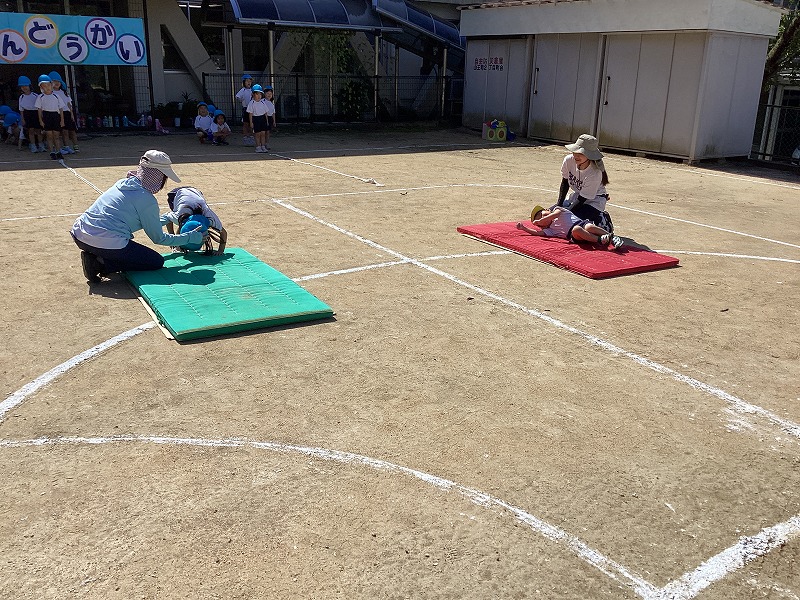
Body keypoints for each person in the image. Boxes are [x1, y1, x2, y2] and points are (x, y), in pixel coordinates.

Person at [70, 150, 206, 283]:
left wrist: (167, 218)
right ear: (160, 177)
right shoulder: (146, 199)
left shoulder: (122, 184)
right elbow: (159, 238)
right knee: (155, 261)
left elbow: (141, 222)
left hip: (79, 234)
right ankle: (100, 264)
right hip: (104, 241)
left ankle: (99, 255)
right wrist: (191, 237)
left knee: (125, 250)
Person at [556, 134, 615, 233]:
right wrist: (559, 205)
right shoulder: (568, 160)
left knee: (569, 222)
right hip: (577, 196)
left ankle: (602, 219)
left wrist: (565, 213)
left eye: (581, 153)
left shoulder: (595, 173)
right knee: (550, 213)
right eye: (575, 151)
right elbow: (565, 182)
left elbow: (582, 200)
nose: (576, 155)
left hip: (594, 200)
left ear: (590, 156)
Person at [516, 204, 623, 249]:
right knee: (577, 230)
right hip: (574, 235)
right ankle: (600, 240)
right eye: (540, 219)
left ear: (548, 210)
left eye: (542, 214)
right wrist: (524, 228)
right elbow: (538, 233)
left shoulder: (558, 210)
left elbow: (554, 215)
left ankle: (612, 237)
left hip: (583, 223)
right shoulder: (551, 230)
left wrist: (540, 221)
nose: (542, 218)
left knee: (589, 227)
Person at [162, 186, 228, 255]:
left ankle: (180, 243)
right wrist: (173, 240)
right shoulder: (178, 216)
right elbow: (168, 219)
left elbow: (223, 233)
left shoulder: (211, 219)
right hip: (176, 194)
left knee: (184, 223)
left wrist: (221, 250)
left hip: (195, 192)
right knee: (182, 222)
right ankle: (178, 245)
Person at [34, 75, 66, 160]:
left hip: (55, 115)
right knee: (49, 135)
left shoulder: (56, 96)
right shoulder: (40, 97)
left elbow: (61, 109)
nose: (47, 87)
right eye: (44, 86)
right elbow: (39, 110)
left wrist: (62, 120)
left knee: (56, 135)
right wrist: (41, 120)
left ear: (51, 85)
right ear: (41, 87)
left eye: (48, 85)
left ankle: (58, 151)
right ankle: (52, 152)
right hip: (46, 115)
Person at [49, 71, 79, 154]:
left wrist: (71, 114)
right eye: (54, 81)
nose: (57, 83)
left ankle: (68, 146)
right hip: (57, 114)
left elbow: (69, 104)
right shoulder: (51, 93)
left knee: (69, 131)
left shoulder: (64, 92)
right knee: (58, 132)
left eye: (58, 81)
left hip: (67, 113)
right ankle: (57, 148)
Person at [18, 75, 43, 153]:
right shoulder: (21, 97)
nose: (24, 88)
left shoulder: (36, 95)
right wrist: (22, 118)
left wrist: (41, 116)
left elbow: (40, 107)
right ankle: (33, 145)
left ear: (29, 86)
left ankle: (41, 145)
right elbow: (21, 109)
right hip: (27, 114)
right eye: (22, 87)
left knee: (38, 131)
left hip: (35, 113)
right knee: (30, 130)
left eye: (26, 86)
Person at [247, 84, 271, 153]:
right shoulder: (251, 103)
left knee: (263, 133)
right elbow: (250, 113)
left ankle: (263, 146)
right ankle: (258, 146)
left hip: (262, 119)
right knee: (257, 134)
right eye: (257, 94)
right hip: (256, 119)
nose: (259, 96)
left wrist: (267, 121)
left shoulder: (263, 102)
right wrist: (251, 122)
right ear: (253, 94)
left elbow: (265, 113)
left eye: (260, 94)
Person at [235, 74, 254, 145]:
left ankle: (251, 137)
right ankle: (246, 137)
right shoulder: (242, 90)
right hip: (246, 108)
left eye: (250, 81)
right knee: (245, 123)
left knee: (252, 123)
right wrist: (241, 99)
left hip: (252, 109)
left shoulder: (252, 90)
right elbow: (237, 96)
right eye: (247, 81)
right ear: (244, 82)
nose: (249, 82)